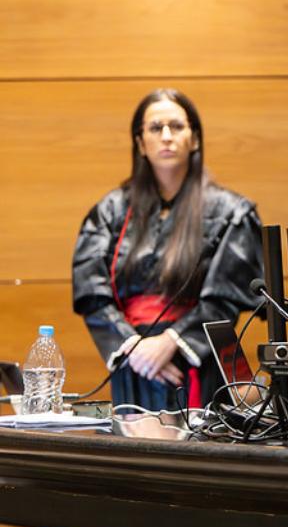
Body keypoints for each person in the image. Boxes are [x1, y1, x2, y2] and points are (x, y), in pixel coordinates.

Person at [72, 89, 264, 410]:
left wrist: (171, 341)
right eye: (155, 128)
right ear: (140, 143)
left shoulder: (231, 212)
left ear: (195, 138)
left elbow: (225, 298)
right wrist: (135, 348)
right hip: (133, 362)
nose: (166, 136)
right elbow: (92, 293)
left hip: (199, 360)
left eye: (176, 126)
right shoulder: (109, 211)